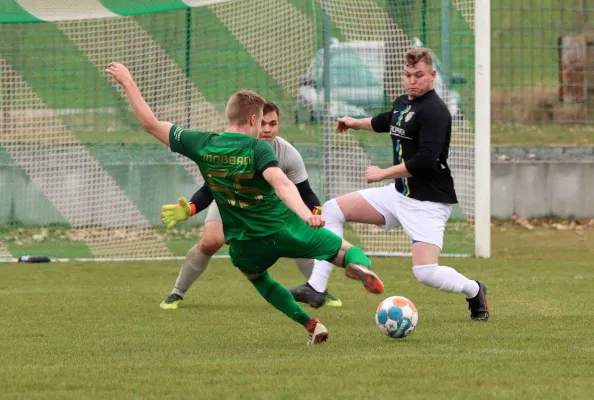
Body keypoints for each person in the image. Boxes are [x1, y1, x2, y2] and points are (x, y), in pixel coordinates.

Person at [106, 62, 384, 345]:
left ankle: (311, 324)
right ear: (253, 120)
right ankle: (359, 268)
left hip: (245, 241)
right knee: (347, 251)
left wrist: (128, 81)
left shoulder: (203, 143)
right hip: (285, 227)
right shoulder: (258, 147)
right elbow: (281, 182)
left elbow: (150, 124)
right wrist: (306, 214)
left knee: (258, 277)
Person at [289, 48, 489, 321]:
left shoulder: (436, 112)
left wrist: (383, 173)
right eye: (407, 75)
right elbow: (386, 120)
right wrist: (354, 123)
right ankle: (317, 288)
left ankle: (474, 290)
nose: (412, 81)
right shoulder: (403, 102)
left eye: (419, 75)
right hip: (398, 195)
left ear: (432, 75)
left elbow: (426, 161)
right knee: (332, 209)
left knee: (425, 273)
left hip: (427, 202)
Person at [158, 101, 342, 309]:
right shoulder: (232, 146)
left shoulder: (287, 153)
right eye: (263, 123)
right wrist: (190, 208)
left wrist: (316, 213)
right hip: (230, 201)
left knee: (299, 237)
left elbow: (305, 192)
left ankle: (319, 290)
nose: (267, 129)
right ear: (252, 121)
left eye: (273, 124)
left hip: (266, 210)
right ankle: (177, 293)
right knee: (210, 241)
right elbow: (209, 189)